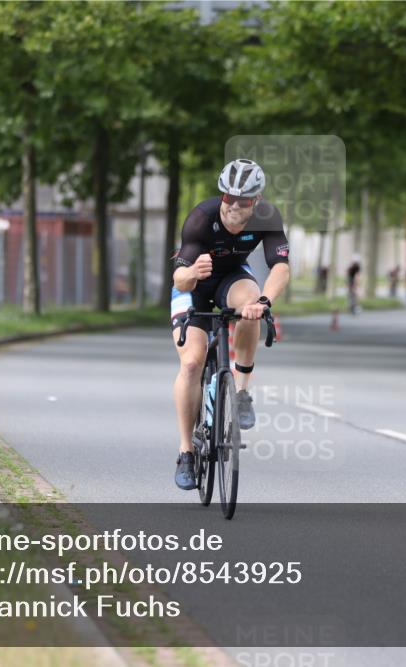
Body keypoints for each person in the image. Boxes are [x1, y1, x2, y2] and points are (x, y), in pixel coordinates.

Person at [170, 158, 290, 490]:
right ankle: (186, 452)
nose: (234, 206)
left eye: (244, 200)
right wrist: (192, 272)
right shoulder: (201, 217)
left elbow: (280, 267)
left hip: (233, 280)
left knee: (252, 305)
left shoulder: (268, 218)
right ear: (222, 195)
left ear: (257, 201)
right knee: (192, 362)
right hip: (195, 285)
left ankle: (241, 392)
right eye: (228, 197)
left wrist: (265, 302)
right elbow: (179, 277)